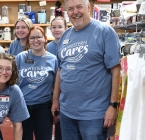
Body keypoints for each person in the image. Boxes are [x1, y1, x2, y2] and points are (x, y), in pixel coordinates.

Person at [51, 0, 121, 139]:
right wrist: (55, 100)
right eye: (71, 9)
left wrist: (113, 106)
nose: (75, 12)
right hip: (67, 112)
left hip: (94, 114)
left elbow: (116, 70)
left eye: (79, 7)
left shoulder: (105, 31)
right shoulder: (65, 35)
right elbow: (60, 70)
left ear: (88, 7)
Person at [15, 26, 58, 140]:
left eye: (38, 37)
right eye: (32, 38)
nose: (35, 40)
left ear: (44, 38)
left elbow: (57, 85)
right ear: (28, 40)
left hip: (43, 107)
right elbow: (12, 82)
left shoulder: (53, 59)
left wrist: (56, 103)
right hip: (22, 106)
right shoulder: (20, 58)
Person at [46, 16, 68, 140]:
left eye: (60, 27)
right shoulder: (49, 46)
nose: (57, 30)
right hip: (53, 91)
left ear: (66, 28)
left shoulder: (69, 44)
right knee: (55, 118)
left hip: (65, 89)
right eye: (54, 27)